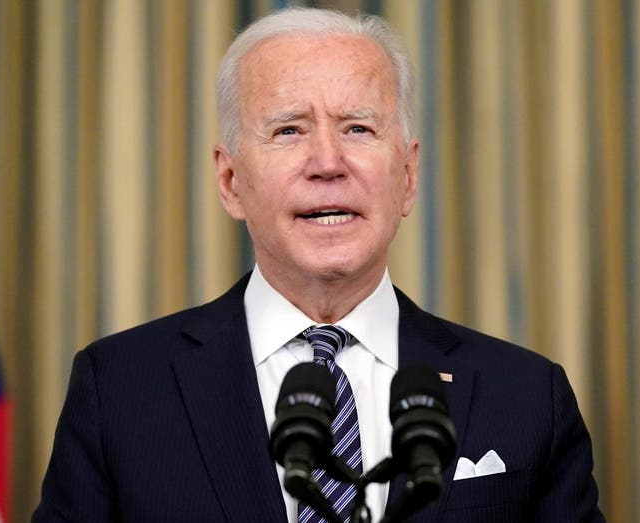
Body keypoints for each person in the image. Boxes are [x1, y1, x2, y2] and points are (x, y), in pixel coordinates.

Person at [33, 7, 603, 522]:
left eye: (358, 127)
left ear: (407, 176)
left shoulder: (527, 397)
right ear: (231, 181)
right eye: (289, 130)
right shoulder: (121, 391)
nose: (327, 162)